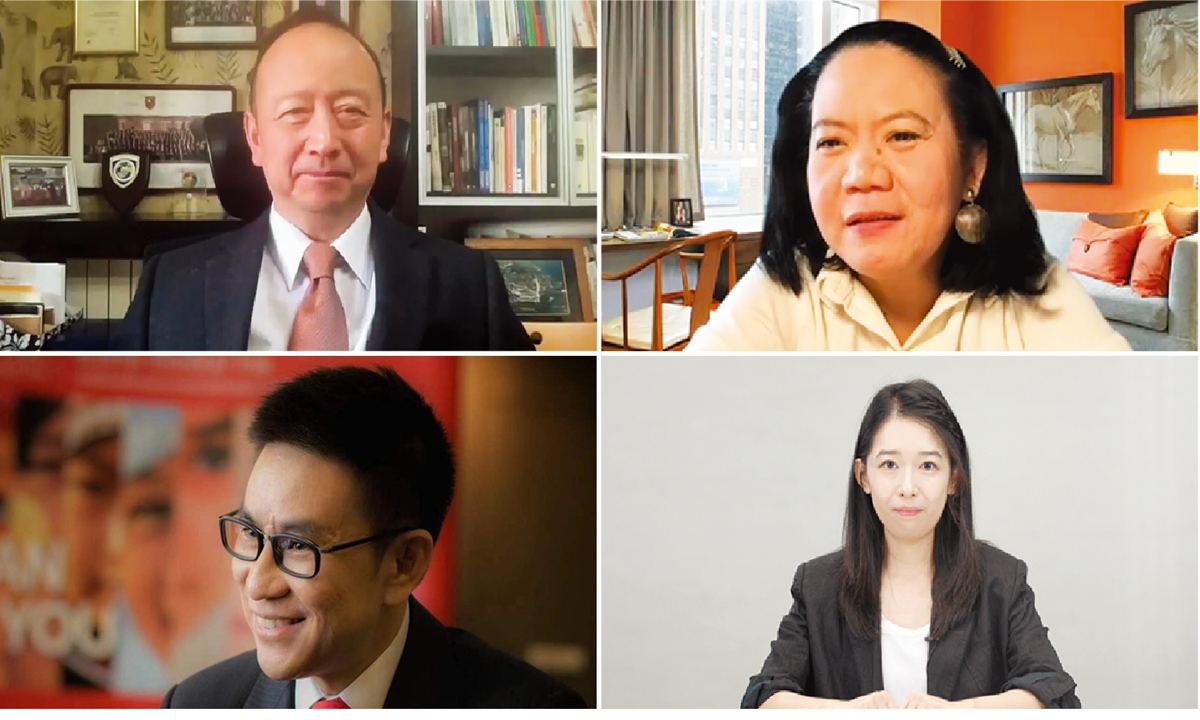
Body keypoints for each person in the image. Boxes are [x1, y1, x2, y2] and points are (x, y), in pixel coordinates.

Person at [687, 21, 1128, 351]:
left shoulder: (1039, 298)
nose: (861, 176)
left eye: (902, 136)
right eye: (831, 141)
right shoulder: (784, 293)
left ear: (972, 167)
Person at [160, 366, 584, 708]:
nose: (257, 582)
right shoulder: (196, 703)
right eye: (251, 533)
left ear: (404, 564)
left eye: (296, 546)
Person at [115, 9, 533, 351]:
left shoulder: (471, 287)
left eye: (351, 110)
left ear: (384, 133)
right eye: (295, 111)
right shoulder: (169, 286)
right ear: (255, 136)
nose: (325, 141)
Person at [743, 380, 1079, 709]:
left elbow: (1054, 692)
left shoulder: (1001, 579)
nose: (908, 487)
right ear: (863, 476)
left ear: (953, 478)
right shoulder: (817, 585)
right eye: (889, 465)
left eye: (928, 466)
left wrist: (960, 713)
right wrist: (847, 714)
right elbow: (764, 697)